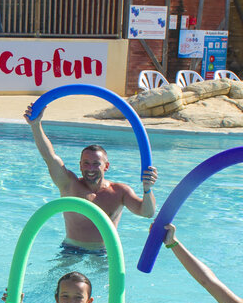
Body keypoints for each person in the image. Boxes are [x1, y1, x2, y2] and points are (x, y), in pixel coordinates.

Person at [24, 101, 158, 253]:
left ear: (106, 166)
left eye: (96, 163)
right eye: (86, 163)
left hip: (104, 252)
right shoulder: (69, 185)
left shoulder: (119, 192)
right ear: (80, 165)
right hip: (71, 249)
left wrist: (147, 189)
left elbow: (147, 213)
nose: (90, 168)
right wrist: (35, 125)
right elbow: (49, 157)